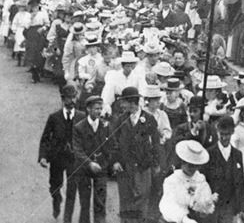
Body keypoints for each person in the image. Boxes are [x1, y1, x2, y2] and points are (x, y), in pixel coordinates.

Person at [111, 86, 161, 223]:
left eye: (124, 102)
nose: (121, 105)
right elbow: (114, 142)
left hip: (143, 166)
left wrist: (156, 164)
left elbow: (156, 144)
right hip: (125, 166)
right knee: (125, 199)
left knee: (142, 198)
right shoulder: (120, 120)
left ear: (132, 102)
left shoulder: (149, 119)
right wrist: (115, 161)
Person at [39, 83, 84, 222]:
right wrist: (43, 157)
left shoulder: (82, 116)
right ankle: (56, 200)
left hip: (73, 158)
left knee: (72, 187)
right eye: (68, 98)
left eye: (74, 98)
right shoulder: (54, 117)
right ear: (63, 99)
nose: (72, 101)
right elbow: (45, 138)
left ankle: (67, 218)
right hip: (57, 157)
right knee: (54, 185)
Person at [70, 95, 111, 223]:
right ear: (88, 109)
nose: (99, 111)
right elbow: (77, 150)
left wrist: (107, 162)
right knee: (85, 204)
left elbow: (111, 146)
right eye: (96, 109)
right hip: (84, 170)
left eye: (100, 108)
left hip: (101, 170)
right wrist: (89, 163)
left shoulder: (105, 126)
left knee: (100, 203)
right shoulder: (79, 127)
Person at [158, 140, 217, 223]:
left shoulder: (200, 180)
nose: (192, 168)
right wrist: (184, 219)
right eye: (189, 164)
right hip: (174, 220)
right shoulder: (172, 180)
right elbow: (168, 205)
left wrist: (205, 208)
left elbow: (205, 200)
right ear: (182, 162)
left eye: (195, 165)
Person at [203, 117, 244, 223]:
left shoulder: (237, 154)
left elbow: (240, 182)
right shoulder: (209, 153)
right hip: (213, 205)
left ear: (232, 133)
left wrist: (241, 207)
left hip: (230, 205)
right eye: (221, 134)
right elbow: (204, 180)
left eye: (227, 134)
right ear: (217, 132)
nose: (224, 138)